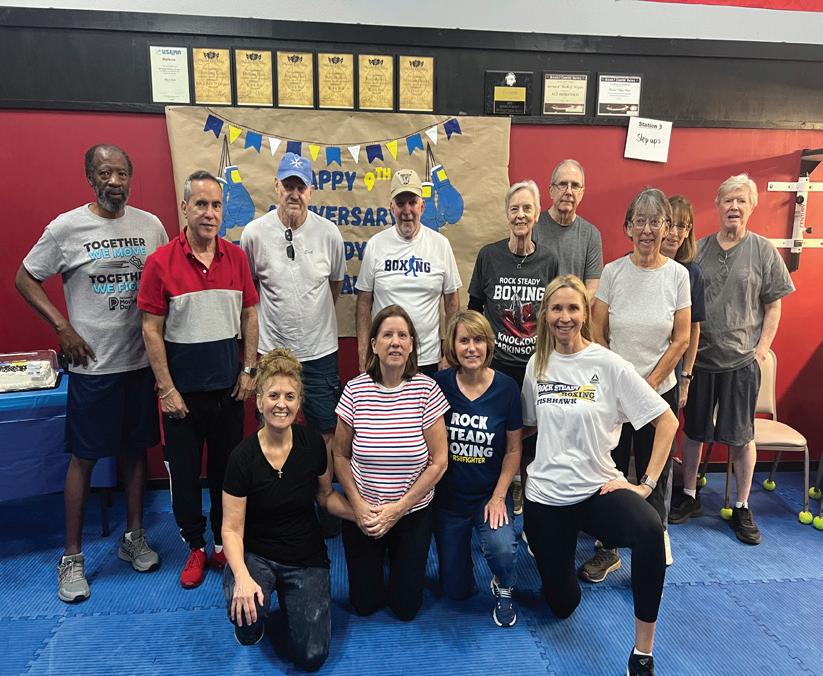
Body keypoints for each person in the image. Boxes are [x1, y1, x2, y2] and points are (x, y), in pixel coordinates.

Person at [15, 144, 168, 603]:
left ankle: (134, 537)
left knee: (135, 451)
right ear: (90, 177)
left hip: (139, 363)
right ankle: (72, 557)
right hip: (93, 367)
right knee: (83, 458)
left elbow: (163, 287)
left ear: (130, 177)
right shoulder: (66, 228)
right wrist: (62, 327)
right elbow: (24, 277)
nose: (114, 181)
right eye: (105, 173)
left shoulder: (151, 226)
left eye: (121, 173)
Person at [522, 275, 679, 676]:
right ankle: (555, 563)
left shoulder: (608, 364)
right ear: (545, 315)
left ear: (585, 314)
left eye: (573, 308)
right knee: (562, 604)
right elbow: (525, 427)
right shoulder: (537, 364)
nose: (565, 317)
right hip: (547, 498)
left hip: (597, 488)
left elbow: (667, 421)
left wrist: (645, 484)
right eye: (557, 308)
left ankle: (643, 654)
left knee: (650, 530)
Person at [138, 170, 259, 588]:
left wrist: (248, 369)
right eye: (202, 204)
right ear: (185, 208)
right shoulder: (160, 263)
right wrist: (167, 389)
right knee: (186, 478)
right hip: (182, 397)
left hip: (229, 391)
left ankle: (224, 543)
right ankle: (194, 545)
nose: (210, 213)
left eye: (216, 205)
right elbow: (151, 329)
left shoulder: (236, 258)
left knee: (227, 473)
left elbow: (249, 315)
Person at [670, 174, 794, 545]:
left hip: (741, 363)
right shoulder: (700, 251)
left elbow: (774, 305)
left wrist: (761, 350)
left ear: (751, 207)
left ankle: (741, 505)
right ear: (718, 205)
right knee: (693, 432)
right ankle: (689, 495)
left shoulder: (763, 251)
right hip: (701, 360)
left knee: (742, 437)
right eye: (728, 200)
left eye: (741, 201)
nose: (734, 207)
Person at [221, 349, 354, 672]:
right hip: (258, 554)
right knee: (246, 615)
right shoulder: (242, 458)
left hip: (304, 555)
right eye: (274, 395)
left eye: (290, 396)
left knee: (312, 656)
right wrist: (242, 577)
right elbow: (231, 529)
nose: (281, 404)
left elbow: (325, 497)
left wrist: (360, 515)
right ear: (259, 402)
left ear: (299, 403)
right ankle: (255, 606)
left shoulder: (312, 445)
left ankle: (289, 597)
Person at [582, 188, 690, 581]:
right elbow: (597, 331)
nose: (647, 230)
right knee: (609, 470)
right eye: (640, 221)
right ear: (628, 227)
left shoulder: (678, 276)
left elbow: (681, 339)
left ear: (667, 227)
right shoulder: (613, 273)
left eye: (655, 222)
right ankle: (608, 547)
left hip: (657, 392)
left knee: (653, 472)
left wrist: (647, 386)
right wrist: (621, 382)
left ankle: (654, 538)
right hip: (614, 393)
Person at [241, 151, 346, 536]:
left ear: (311, 191)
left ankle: (325, 500)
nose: (294, 193)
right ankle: (274, 504)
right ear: (276, 187)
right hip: (273, 354)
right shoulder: (254, 234)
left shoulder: (329, 234)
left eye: (301, 187)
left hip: (320, 352)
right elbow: (248, 295)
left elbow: (334, 287)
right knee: (272, 428)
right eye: (288, 185)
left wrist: (311, 323)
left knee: (325, 431)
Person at [333, 305, 449, 620]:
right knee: (364, 605)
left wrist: (398, 509)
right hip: (365, 513)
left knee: (406, 608)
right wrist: (357, 506)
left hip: (411, 511)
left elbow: (439, 462)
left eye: (402, 335)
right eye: (387, 335)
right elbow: (340, 455)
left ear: (411, 345)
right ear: (374, 344)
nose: (395, 342)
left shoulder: (427, 390)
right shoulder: (355, 390)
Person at [468, 179, 558, 515]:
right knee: (497, 430)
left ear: (537, 214)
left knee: (533, 430)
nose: (521, 215)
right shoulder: (489, 256)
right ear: (507, 214)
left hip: (535, 365)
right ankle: (499, 487)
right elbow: (474, 308)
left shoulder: (549, 260)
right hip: (498, 364)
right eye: (514, 208)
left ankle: (525, 486)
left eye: (527, 208)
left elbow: (554, 313)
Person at [432, 311, 522, 627]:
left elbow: (514, 450)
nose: (472, 348)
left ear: (488, 344)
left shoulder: (507, 388)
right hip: (450, 500)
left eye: (479, 340)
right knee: (455, 591)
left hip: (488, 495)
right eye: (464, 340)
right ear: (453, 347)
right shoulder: (438, 385)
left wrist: (499, 497)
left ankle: (504, 583)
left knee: (502, 550)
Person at [356, 169, 461, 376]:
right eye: (400, 203)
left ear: (422, 206)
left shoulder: (441, 245)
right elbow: (363, 303)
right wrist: (363, 352)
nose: (407, 210)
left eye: (412, 202)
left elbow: (452, 301)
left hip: (427, 358)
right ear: (391, 207)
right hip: (385, 358)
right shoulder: (376, 245)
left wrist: (449, 352)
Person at [531, 159, 603, 299]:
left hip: (574, 310)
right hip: (537, 310)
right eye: (563, 184)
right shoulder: (533, 228)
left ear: (582, 193)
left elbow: (592, 289)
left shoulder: (591, 235)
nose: (569, 191)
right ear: (551, 191)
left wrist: (570, 308)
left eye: (575, 186)